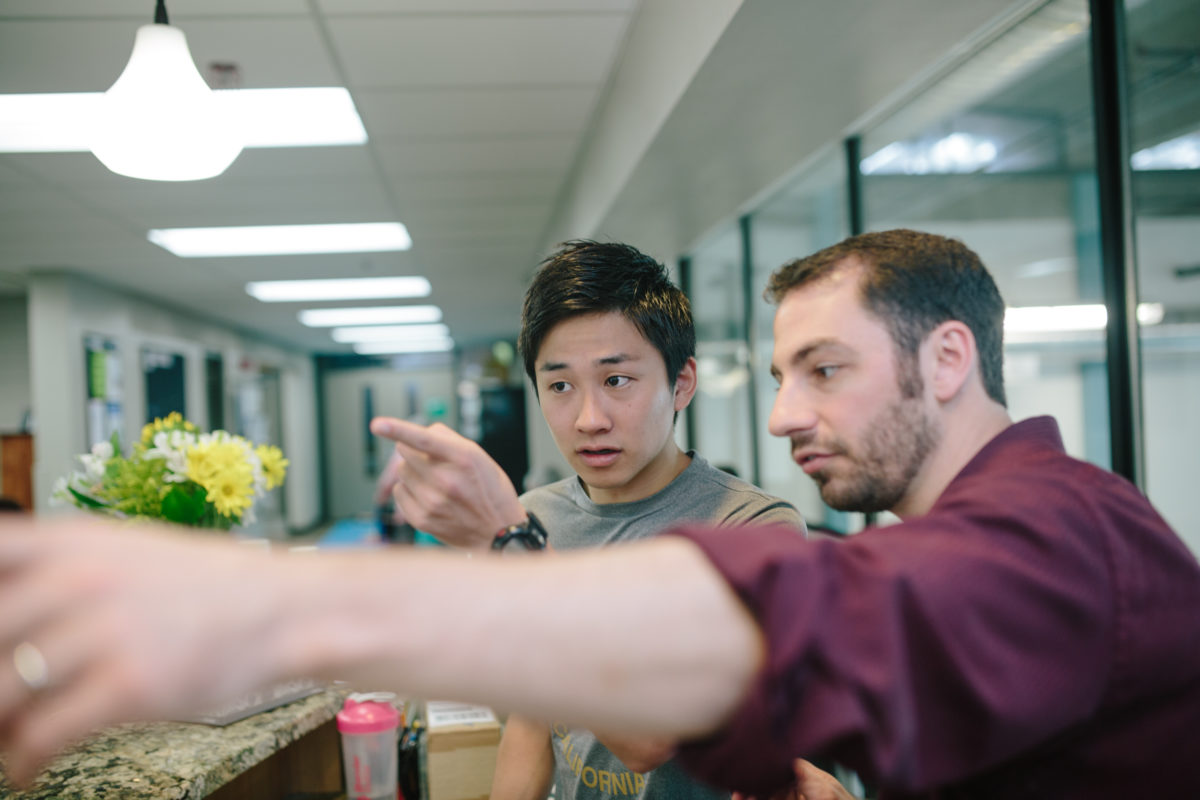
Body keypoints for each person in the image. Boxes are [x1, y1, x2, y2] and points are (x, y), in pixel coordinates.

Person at [2, 230, 1198, 798]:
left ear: (947, 359)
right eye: (780, 376)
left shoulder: (1063, 531)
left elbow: (768, 615)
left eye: (824, 370)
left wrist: (283, 600)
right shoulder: (997, 529)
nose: (783, 414)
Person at [378, 239, 804, 800]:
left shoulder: (753, 529)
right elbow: (537, 718)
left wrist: (513, 546)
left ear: (681, 383)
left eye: (616, 380)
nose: (588, 418)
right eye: (559, 386)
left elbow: (649, 737)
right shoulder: (535, 519)